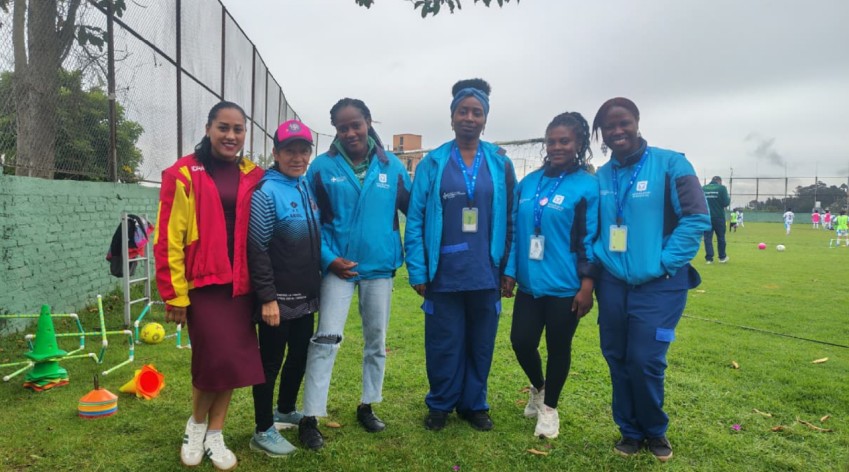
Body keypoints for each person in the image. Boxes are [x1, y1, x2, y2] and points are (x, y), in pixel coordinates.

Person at [591, 97, 710, 462]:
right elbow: (592, 225)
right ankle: (629, 432)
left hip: (660, 284)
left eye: (623, 122)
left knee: (645, 360)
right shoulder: (601, 176)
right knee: (617, 356)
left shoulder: (672, 164)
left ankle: (655, 431)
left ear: (637, 122)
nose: (617, 131)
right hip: (613, 283)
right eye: (609, 126)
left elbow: (696, 217)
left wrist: (664, 262)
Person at [154, 101, 265, 471]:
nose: (231, 136)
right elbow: (168, 238)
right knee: (211, 359)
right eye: (223, 127)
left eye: (238, 129)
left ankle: (215, 432)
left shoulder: (255, 174)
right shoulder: (183, 174)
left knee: (230, 361)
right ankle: (196, 426)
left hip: (242, 285)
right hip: (203, 285)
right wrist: (174, 293)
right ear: (208, 129)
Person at [405, 78, 518, 433]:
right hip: (443, 272)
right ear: (452, 116)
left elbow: (512, 218)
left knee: (480, 343)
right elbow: (416, 219)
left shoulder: (500, 163)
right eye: (463, 111)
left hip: (486, 271)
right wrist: (418, 270)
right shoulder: (433, 163)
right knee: (443, 342)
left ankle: (474, 405)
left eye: (477, 112)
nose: (469, 118)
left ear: (485, 119)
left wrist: (509, 268)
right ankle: (440, 404)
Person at [298, 98, 411, 449]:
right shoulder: (321, 168)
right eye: (342, 127)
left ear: (368, 123)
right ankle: (310, 417)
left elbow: (415, 211)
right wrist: (329, 259)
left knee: (376, 340)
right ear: (336, 130)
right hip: (339, 268)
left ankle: (367, 404)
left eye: (356, 125)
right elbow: (310, 222)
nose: (350, 133)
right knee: (326, 339)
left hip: (379, 267)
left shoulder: (392, 166)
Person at [502, 112, 598, 439]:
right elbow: (516, 232)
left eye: (564, 141)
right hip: (530, 285)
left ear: (579, 144)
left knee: (558, 347)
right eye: (551, 141)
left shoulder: (587, 186)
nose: (556, 147)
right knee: (521, 342)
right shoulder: (529, 183)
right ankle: (540, 388)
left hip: (566, 286)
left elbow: (589, 238)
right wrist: (510, 272)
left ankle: (549, 409)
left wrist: (587, 285)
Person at [247, 120, 320, 457]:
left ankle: (285, 409)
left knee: (300, 356)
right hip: (277, 300)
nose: (297, 157)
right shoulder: (266, 192)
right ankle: (263, 429)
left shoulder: (304, 186)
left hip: (306, 296)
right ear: (275, 153)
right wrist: (267, 298)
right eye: (290, 150)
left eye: (303, 150)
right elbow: (257, 249)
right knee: (270, 364)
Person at [702, 176, 730, 264]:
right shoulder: (722, 188)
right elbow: (726, 203)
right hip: (719, 217)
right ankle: (722, 257)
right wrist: (728, 198)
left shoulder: (703, 188)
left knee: (707, 238)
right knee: (721, 237)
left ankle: (709, 259)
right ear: (719, 181)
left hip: (706, 217)